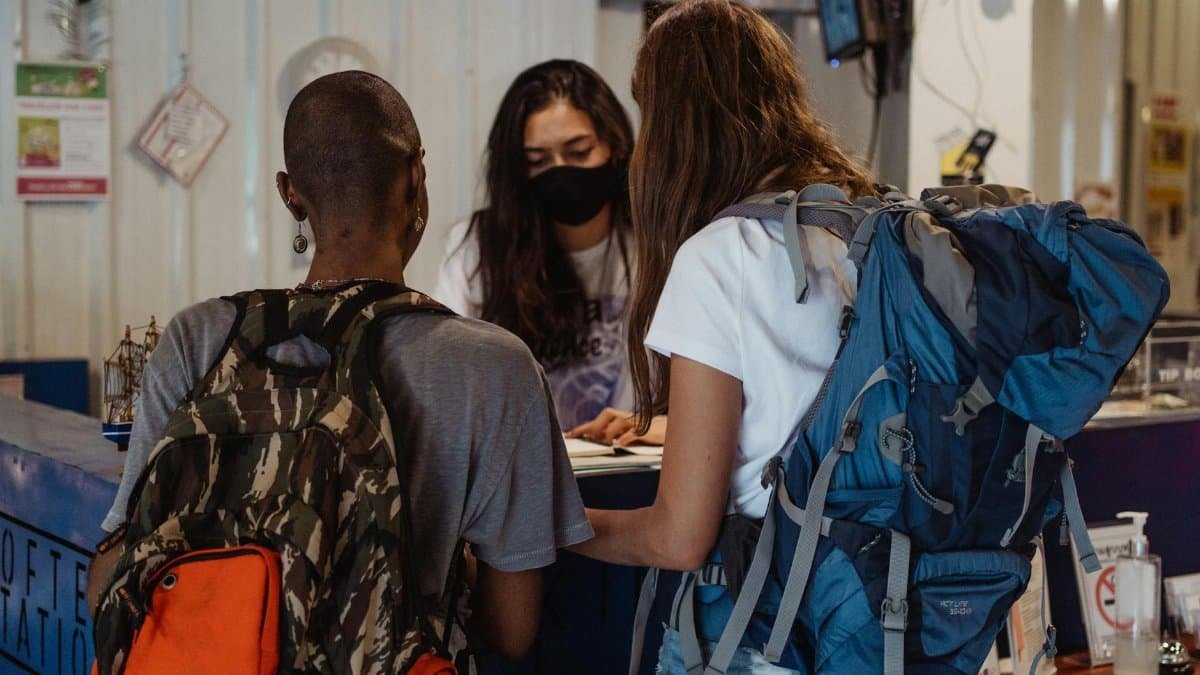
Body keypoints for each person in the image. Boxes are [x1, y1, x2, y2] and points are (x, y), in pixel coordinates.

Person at [90, 70, 592, 664]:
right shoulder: (495, 368)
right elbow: (512, 631)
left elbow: (111, 580)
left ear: (289, 193)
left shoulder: (198, 339)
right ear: (416, 176)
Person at [570, 2, 875, 672]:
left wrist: (555, 527)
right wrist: (673, 430)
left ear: (675, 126)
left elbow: (678, 538)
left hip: (764, 630)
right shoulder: (863, 228)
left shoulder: (722, 254)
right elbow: (811, 415)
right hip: (871, 621)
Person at [434, 59, 639, 431]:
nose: (561, 170)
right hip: (516, 462)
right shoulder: (477, 247)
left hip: (624, 459)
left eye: (579, 152)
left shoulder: (652, 248)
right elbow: (446, 373)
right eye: (538, 160)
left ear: (615, 144)